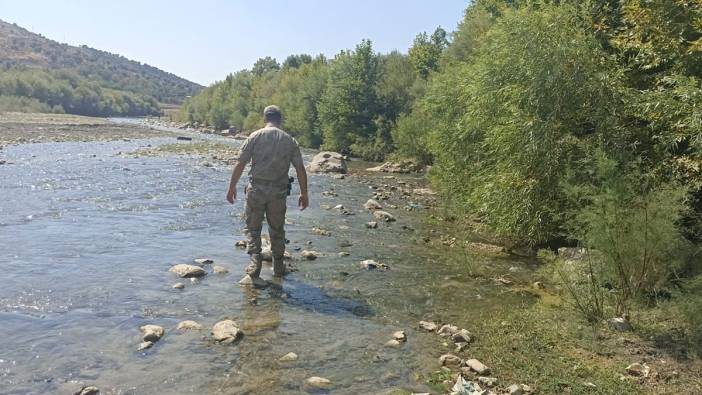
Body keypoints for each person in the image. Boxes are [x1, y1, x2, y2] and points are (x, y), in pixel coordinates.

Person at [226, 105, 309, 286]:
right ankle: (278, 267)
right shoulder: (290, 141)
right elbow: (300, 169)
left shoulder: (255, 136)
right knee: (277, 230)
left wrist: (231, 186)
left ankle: (255, 265)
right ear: (280, 119)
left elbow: (240, 163)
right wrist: (304, 193)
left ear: (265, 119)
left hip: (256, 190)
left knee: (253, 228)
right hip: (278, 192)